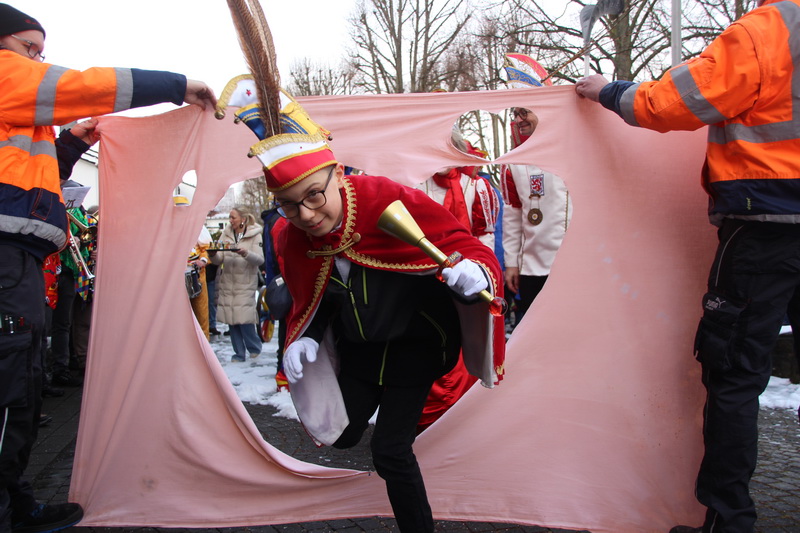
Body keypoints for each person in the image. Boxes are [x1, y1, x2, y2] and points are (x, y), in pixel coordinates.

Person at [216, 70, 506, 531]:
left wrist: (475, 270)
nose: (306, 215)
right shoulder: (291, 235)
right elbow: (313, 296)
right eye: (289, 205)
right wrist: (304, 337)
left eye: (314, 196)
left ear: (337, 173)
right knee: (343, 433)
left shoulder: (385, 198)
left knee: (390, 451)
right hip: (361, 349)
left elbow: (461, 244)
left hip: (415, 345)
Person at [575, 1, 800, 531]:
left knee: (734, 374)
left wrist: (607, 90)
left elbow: (670, 103)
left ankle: (728, 521)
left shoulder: (772, 27)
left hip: (767, 225)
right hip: (769, 223)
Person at [0, 4, 217, 532]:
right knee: (8, 388)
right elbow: (83, 85)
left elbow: (34, 181)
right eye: (30, 50)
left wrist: (72, 144)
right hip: (6, 260)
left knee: (21, 384)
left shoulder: (21, 118)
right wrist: (176, 86)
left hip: (20, 263)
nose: (37, 63)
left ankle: (15, 501)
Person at [415, 127, 499, 432]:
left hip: (466, 281)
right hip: (423, 281)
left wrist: (480, 271)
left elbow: (484, 235)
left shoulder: (476, 187)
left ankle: (462, 420)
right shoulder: (415, 183)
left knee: (465, 344)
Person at [501, 54, 572, 329]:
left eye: (525, 112)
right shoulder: (512, 163)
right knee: (533, 332)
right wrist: (511, 263)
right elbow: (512, 217)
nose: (519, 119)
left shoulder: (573, 149)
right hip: (533, 268)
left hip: (576, 264)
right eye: (515, 113)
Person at [209, 207, 264, 362]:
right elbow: (219, 259)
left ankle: (254, 347)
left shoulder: (255, 235)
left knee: (244, 318)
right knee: (231, 319)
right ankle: (238, 353)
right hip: (227, 282)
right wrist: (213, 255)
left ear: (243, 219)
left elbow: (259, 260)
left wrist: (244, 253)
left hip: (245, 282)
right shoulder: (226, 233)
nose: (230, 220)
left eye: (233, 217)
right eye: (230, 217)